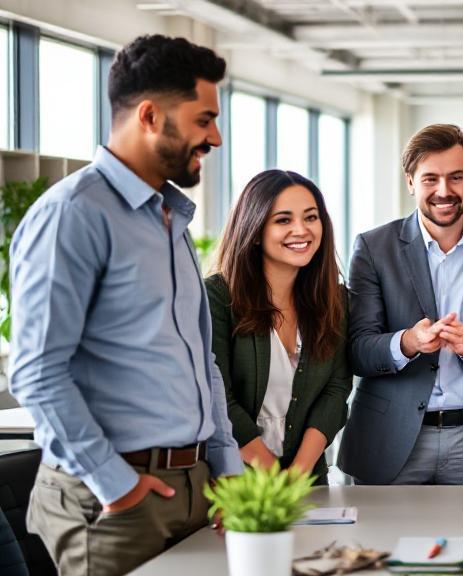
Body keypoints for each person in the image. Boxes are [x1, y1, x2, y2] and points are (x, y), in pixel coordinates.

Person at [9, 35, 243, 576]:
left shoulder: (171, 220)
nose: (216, 137)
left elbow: (200, 362)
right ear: (149, 115)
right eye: (203, 119)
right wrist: (117, 486)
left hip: (193, 489)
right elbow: (37, 371)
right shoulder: (73, 215)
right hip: (115, 500)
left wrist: (226, 467)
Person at [341, 124, 463, 485]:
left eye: (456, 177)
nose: (444, 191)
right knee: (383, 543)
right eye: (430, 179)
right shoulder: (373, 248)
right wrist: (408, 342)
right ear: (410, 182)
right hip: (389, 437)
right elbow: (358, 350)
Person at [207, 169, 352, 485]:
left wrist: (297, 474)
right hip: (233, 482)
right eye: (283, 220)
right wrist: (273, 476)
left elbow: (337, 388)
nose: (301, 230)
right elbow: (217, 397)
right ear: (255, 230)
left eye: (311, 217)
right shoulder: (217, 297)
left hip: (306, 480)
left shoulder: (336, 299)